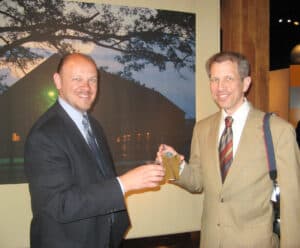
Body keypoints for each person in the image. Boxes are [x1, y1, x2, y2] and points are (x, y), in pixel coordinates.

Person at [158, 51, 300, 248]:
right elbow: (198, 182)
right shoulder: (202, 128)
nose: (219, 87)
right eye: (214, 79)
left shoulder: (278, 131)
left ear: (246, 83)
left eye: (228, 78)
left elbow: (293, 203)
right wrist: (172, 165)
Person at [24, 53, 165, 248]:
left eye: (92, 80)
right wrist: (124, 184)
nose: (86, 87)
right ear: (58, 81)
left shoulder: (93, 126)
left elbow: (97, 178)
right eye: (77, 79)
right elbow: (60, 204)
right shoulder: (44, 135)